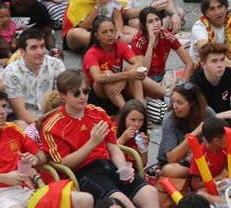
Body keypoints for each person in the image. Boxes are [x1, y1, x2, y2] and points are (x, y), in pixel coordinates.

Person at [0, 87, 94, 208]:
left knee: (85, 199)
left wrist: (34, 159)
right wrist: (3, 178)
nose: (2, 112)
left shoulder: (13, 129)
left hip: (26, 190)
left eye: (4, 106)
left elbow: (41, 155)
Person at [40, 70, 158, 207]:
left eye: (86, 91)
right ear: (63, 96)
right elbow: (64, 164)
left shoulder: (98, 113)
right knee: (122, 202)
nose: (82, 96)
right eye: (76, 93)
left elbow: (114, 147)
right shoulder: (52, 127)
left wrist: (123, 167)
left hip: (109, 165)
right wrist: (92, 143)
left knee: (150, 192)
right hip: (83, 173)